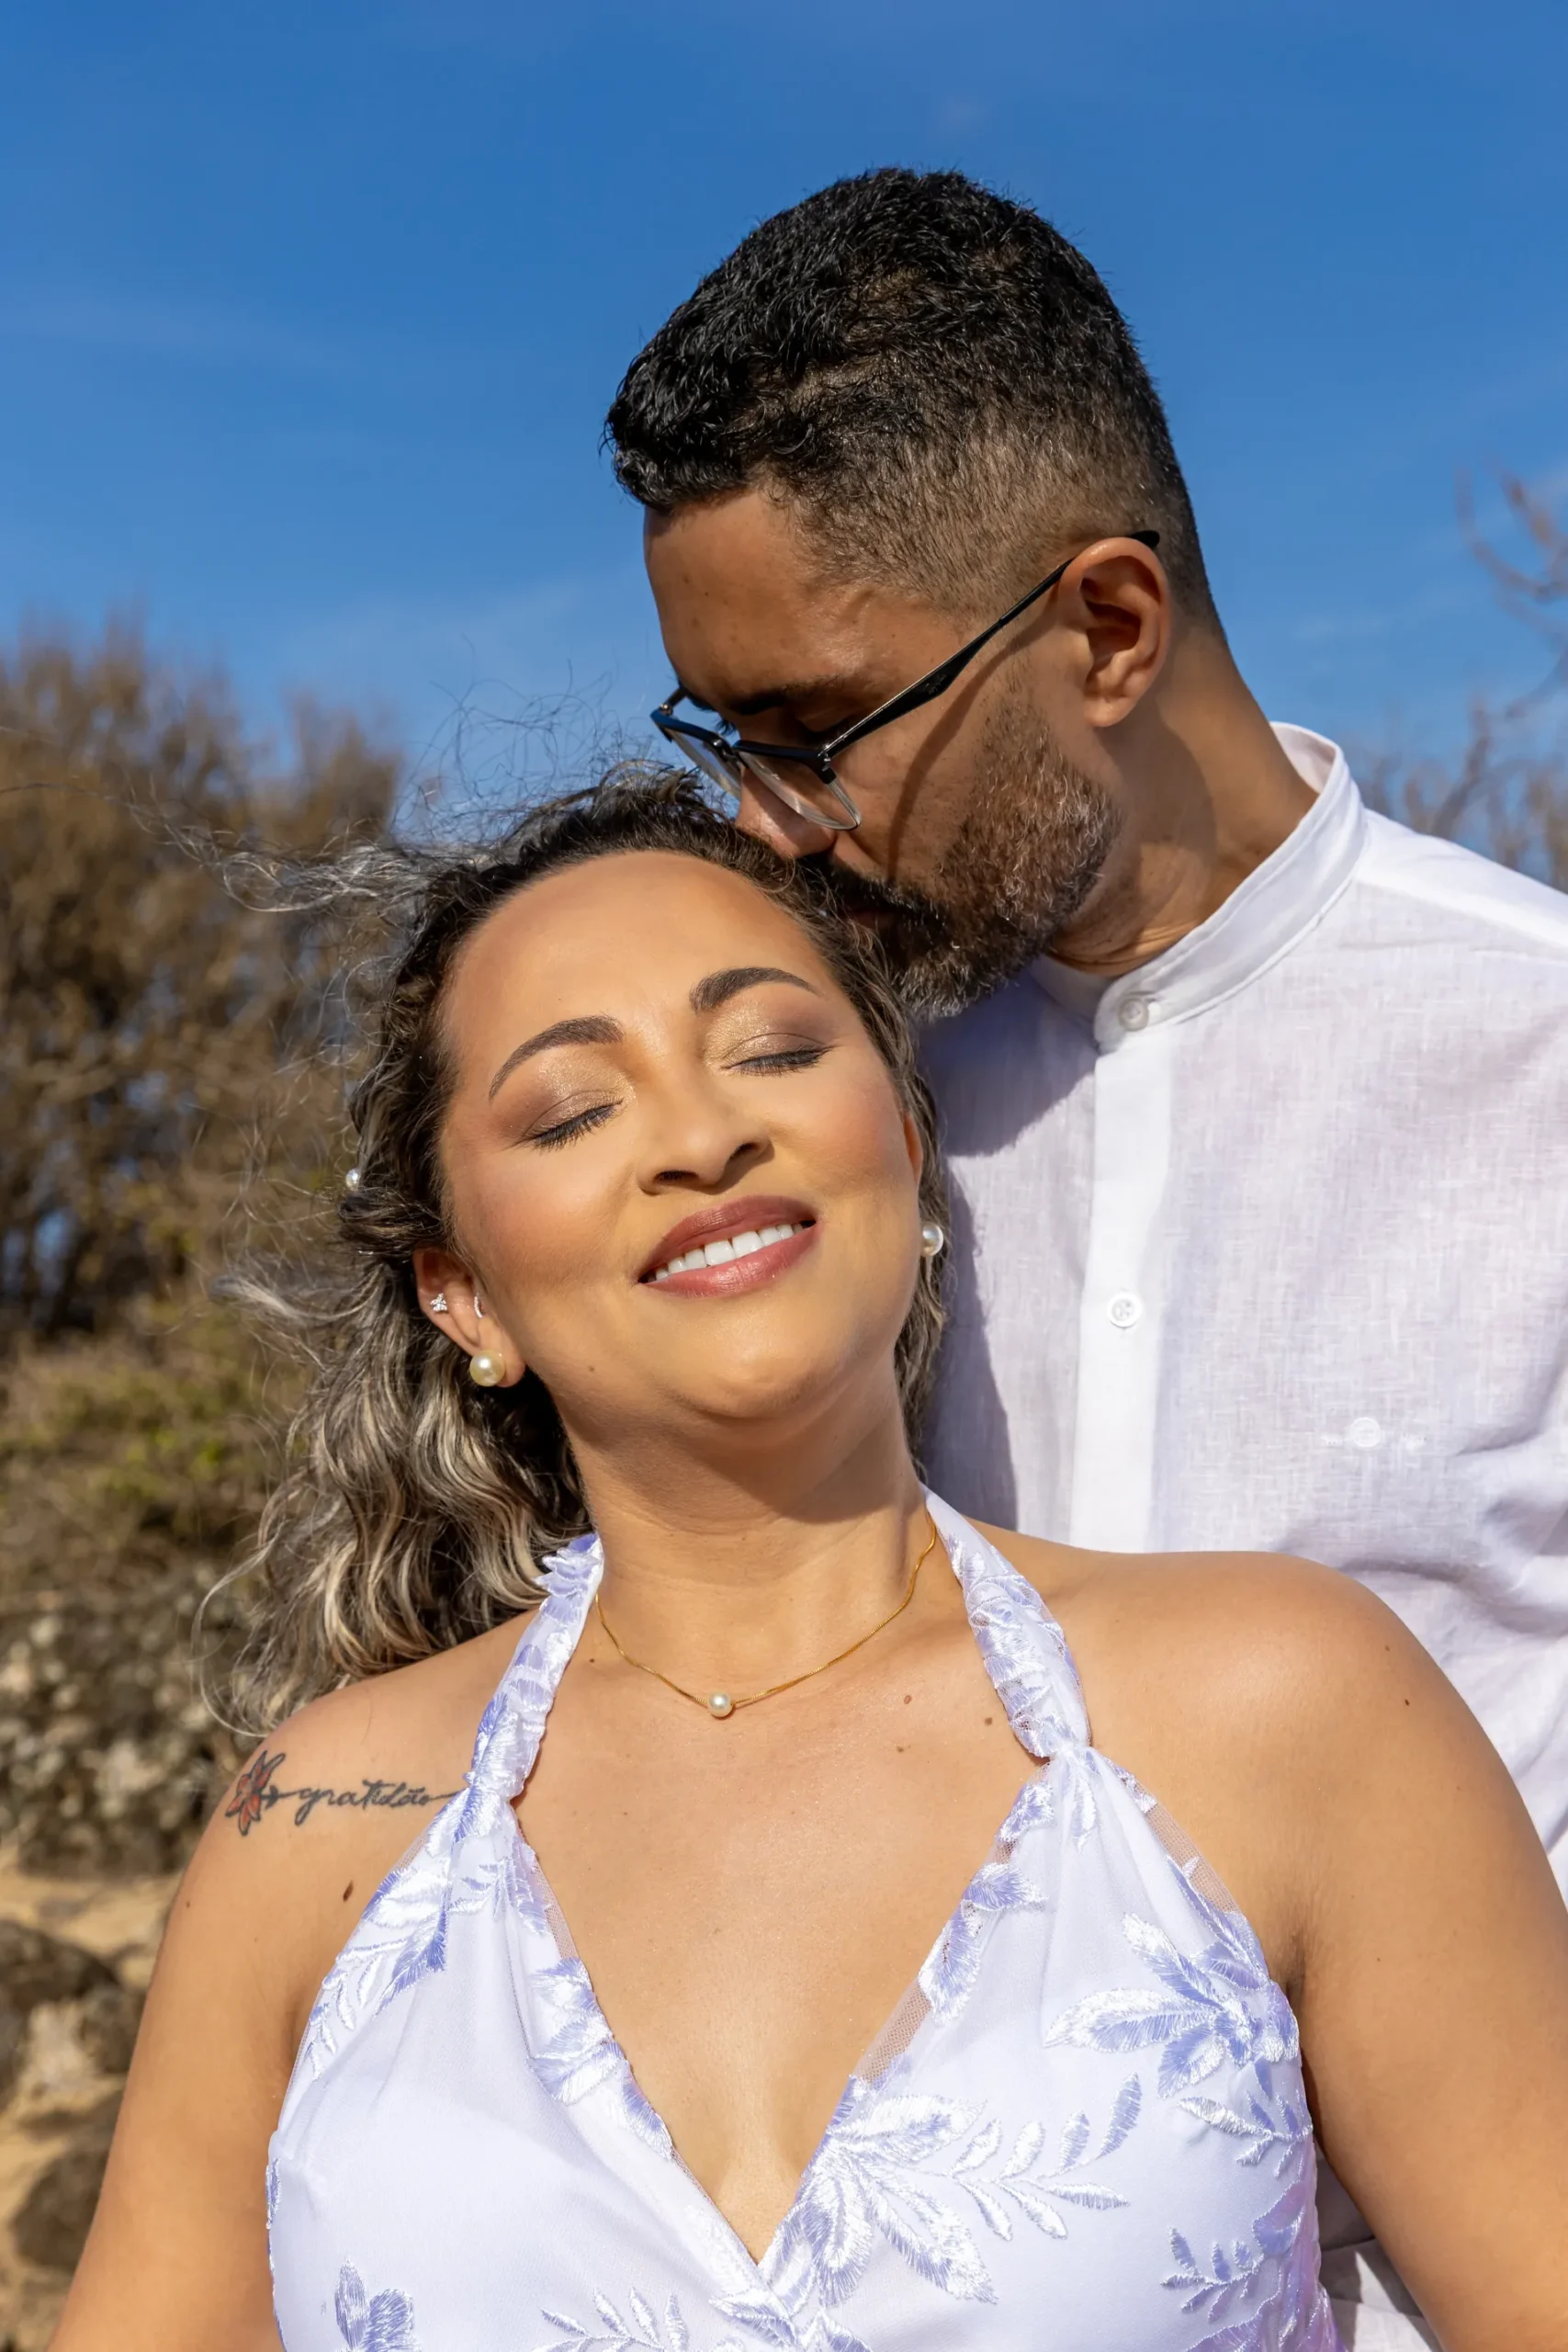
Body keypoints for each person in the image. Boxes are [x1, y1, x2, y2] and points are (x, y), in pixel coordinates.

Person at [54, 779, 1568, 2352]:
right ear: (464, 1297)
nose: (702, 1135)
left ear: (907, 1150)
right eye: (570, 1112)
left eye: (772, 1050)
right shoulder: (314, 1826)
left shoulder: (1277, 1704)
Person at [607, 172, 1568, 2340]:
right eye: (719, 738)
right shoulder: (808, 1137)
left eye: (812, 728)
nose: (764, 819)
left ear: (1109, 627)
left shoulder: (1538, 1058)